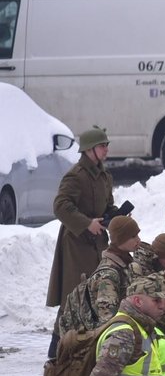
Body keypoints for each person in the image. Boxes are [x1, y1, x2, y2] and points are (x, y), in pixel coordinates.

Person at [47, 123, 114, 310]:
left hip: (99, 242)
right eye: (102, 146)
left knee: (100, 292)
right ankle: (61, 330)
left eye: (107, 145)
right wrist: (87, 223)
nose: (106, 149)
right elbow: (60, 205)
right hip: (77, 244)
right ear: (89, 149)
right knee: (76, 295)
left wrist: (116, 217)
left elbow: (107, 206)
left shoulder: (104, 175)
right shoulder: (76, 176)